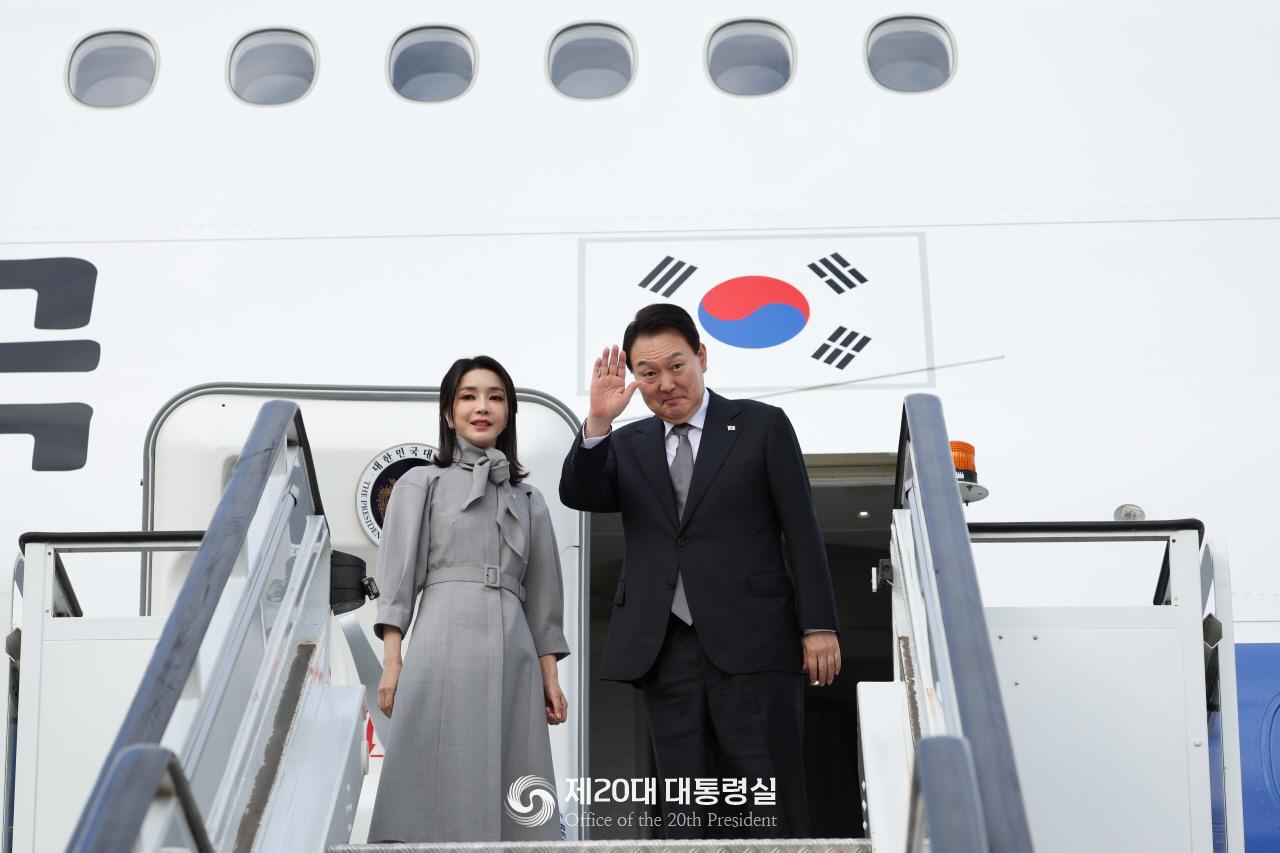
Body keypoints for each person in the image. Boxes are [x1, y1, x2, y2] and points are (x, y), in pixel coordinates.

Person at [560, 303, 840, 839]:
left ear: (702, 357)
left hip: (757, 642)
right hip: (667, 648)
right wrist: (598, 421)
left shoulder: (760, 425)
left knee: (767, 795)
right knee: (686, 803)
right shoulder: (626, 442)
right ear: (635, 380)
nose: (665, 383)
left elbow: (802, 529)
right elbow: (580, 493)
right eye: (648, 373)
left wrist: (818, 625)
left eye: (676, 365)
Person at [368, 355, 570, 843]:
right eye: (468, 396)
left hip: (513, 643)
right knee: (435, 762)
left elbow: (543, 595)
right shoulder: (421, 482)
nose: (483, 407)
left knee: (514, 772)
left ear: (509, 412)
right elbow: (398, 580)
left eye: (495, 397)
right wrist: (393, 662)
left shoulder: (529, 498)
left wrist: (549, 673)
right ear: (448, 411)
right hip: (442, 632)